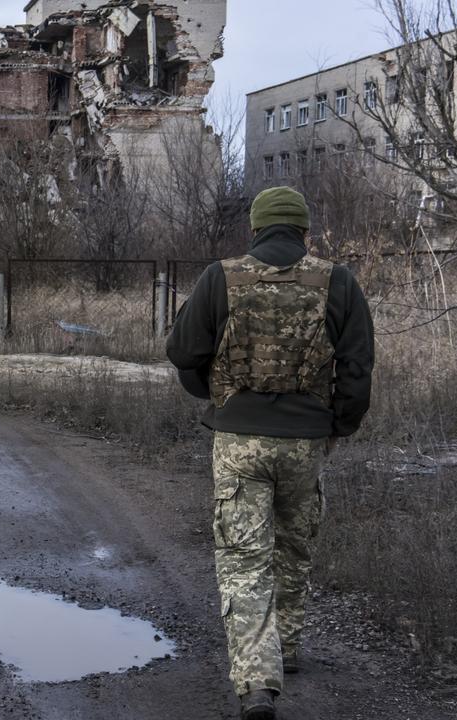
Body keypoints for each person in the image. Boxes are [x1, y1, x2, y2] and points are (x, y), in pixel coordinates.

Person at [167, 186, 375, 720]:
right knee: (293, 544)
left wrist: (209, 391)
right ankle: (286, 645)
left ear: (255, 231)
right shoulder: (339, 281)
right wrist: (339, 426)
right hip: (307, 441)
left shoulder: (221, 276)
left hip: (238, 440)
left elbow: (183, 350)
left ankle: (259, 681)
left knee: (244, 557)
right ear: (305, 233)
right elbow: (356, 367)